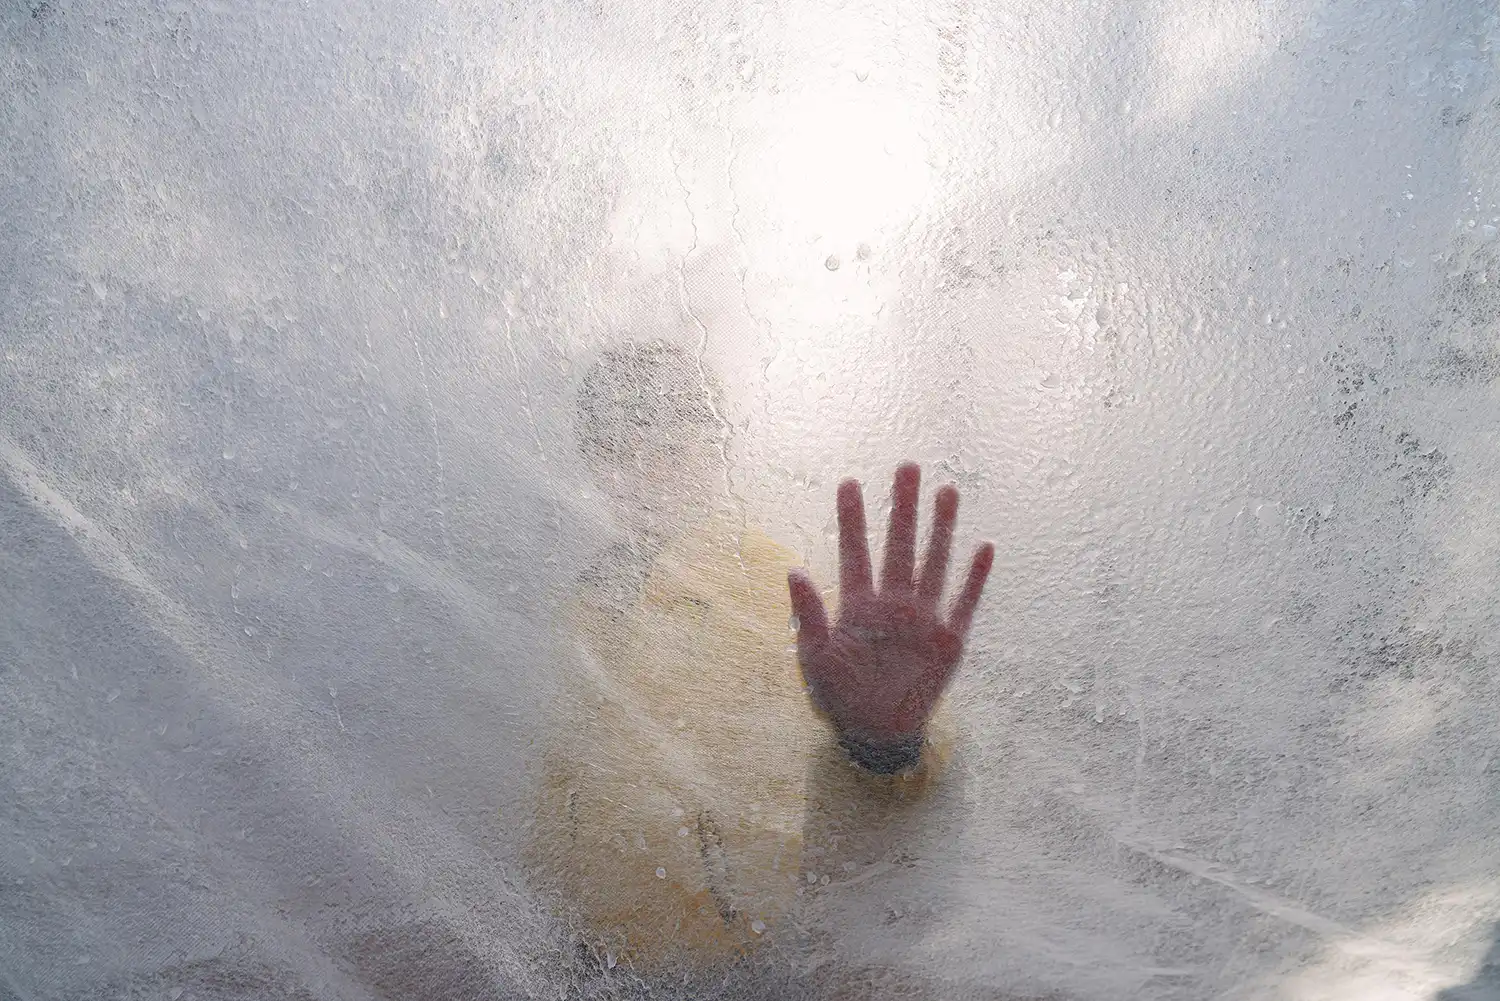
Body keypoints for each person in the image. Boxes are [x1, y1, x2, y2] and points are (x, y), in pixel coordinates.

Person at [525, 340, 994, 980]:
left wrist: (886, 741)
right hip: (587, 960)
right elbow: (565, 778)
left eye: (681, 433)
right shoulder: (588, 601)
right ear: (600, 464)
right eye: (628, 439)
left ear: (715, 448)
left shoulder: (769, 578)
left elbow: (914, 750)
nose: (658, 459)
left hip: (728, 963)